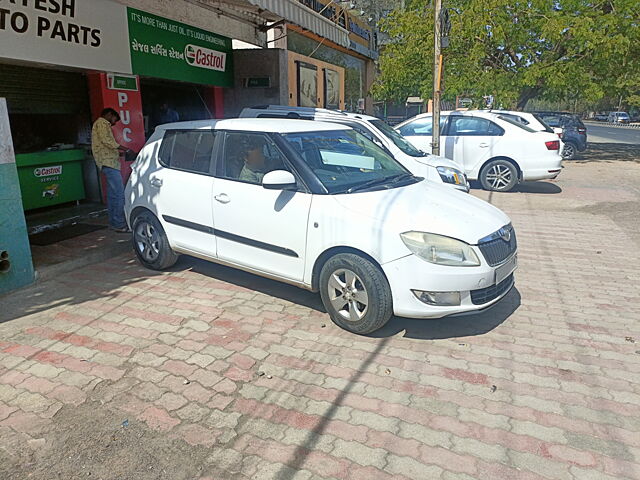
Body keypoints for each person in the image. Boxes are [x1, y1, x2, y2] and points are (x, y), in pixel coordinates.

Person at [91, 108, 129, 233]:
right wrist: (126, 149)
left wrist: (120, 154)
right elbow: (107, 141)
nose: (114, 123)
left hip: (108, 163)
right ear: (109, 114)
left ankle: (114, 222)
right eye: (114, 120)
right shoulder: (102, 123)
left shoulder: (99, 124)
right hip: (109, 164)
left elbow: (105, 146)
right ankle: (119, 224)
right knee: (119, 194)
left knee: (113, 196)